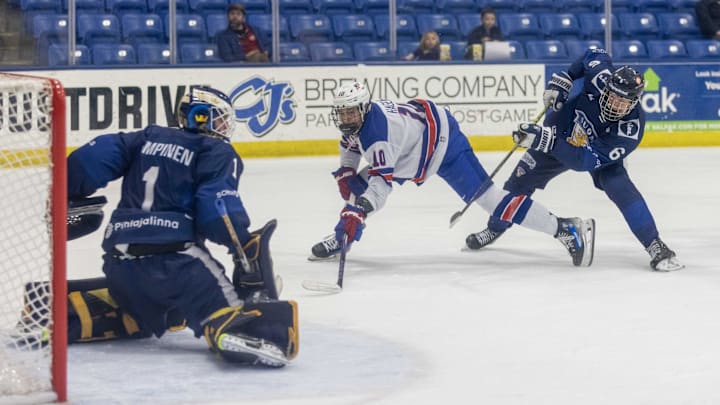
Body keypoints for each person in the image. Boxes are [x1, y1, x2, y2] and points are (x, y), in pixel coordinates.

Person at [56, 86, 298, 367]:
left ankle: (69, 311)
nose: (224, 126)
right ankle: (236, 331)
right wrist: (241, 243)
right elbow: (216, 209)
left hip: (119, 262)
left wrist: (67, 190)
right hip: (175, 261)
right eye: (220, 118)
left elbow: (90, 161)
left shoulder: (145, 137)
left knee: (156, 311)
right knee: (226, 307)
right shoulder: (217, 150)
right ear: (202, 117)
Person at [309, 81, 596, 267]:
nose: (346, 119)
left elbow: (381, 186)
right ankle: (341, 237)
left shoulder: (377, 135)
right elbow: (350, 146)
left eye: (351, 114)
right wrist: (347, 170)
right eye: (342, 113)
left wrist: (358, 209)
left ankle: (565, 228)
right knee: (358, 189)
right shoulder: (361, 123)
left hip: (443, 144)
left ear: (363, 109)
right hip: (410, 150)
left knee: (491, 201)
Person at [465, 48, 684, 272]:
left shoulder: (629, 130)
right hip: (561, 133)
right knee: (518, 183)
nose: (615, 104)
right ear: (607, 86)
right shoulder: (600, 76)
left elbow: (582, 161)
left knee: (621, 187)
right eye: (613, 96)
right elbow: (594, 53)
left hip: (591, 152)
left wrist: (545, 141)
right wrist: (567, 77)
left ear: (635, 101)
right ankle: (495, 226)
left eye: (623, 101)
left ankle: (654, 244)